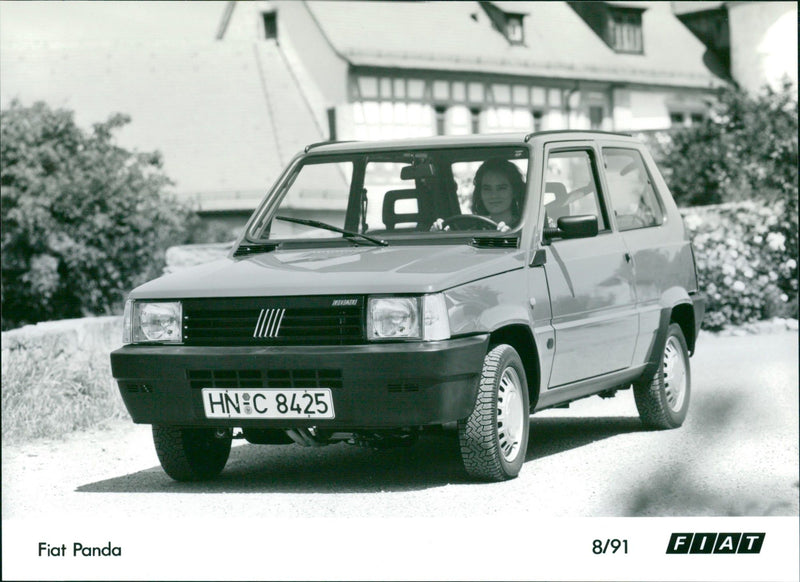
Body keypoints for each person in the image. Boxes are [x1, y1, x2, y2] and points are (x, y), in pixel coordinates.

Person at [431, 158, 525, 232]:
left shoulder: (525, 228)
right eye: (487, 189)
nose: (493, 195)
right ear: (480, 193)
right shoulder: (474, 229)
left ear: (515, 192)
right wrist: (440, 233)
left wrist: (510, 238)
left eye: (501, 188)